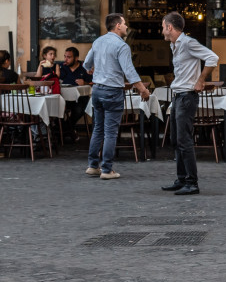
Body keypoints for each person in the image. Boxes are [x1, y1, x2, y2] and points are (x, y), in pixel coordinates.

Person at [83, 13, 150, 180]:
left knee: (98, 129)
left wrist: (92, 69)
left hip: (97, 90)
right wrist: (143, 89)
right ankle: (106, 169)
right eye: (125, 23)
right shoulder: (122, 46)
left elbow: (86, 64)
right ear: (118, 26)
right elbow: (129, 71)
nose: (127, 27)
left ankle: (92, 166)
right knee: (111, 132)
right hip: (113, 91)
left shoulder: (98, 41)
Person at [161, 12, 218, 195]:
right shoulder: (174, 45)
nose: (162, 30)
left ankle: (192, 183)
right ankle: (182, 179)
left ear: (170, 27)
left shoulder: (188, 43)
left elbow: (213, 58)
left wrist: (201, 80)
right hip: (179, 96)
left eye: (163, 26)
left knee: (184, 140)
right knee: (176, 140)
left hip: (187, 96)